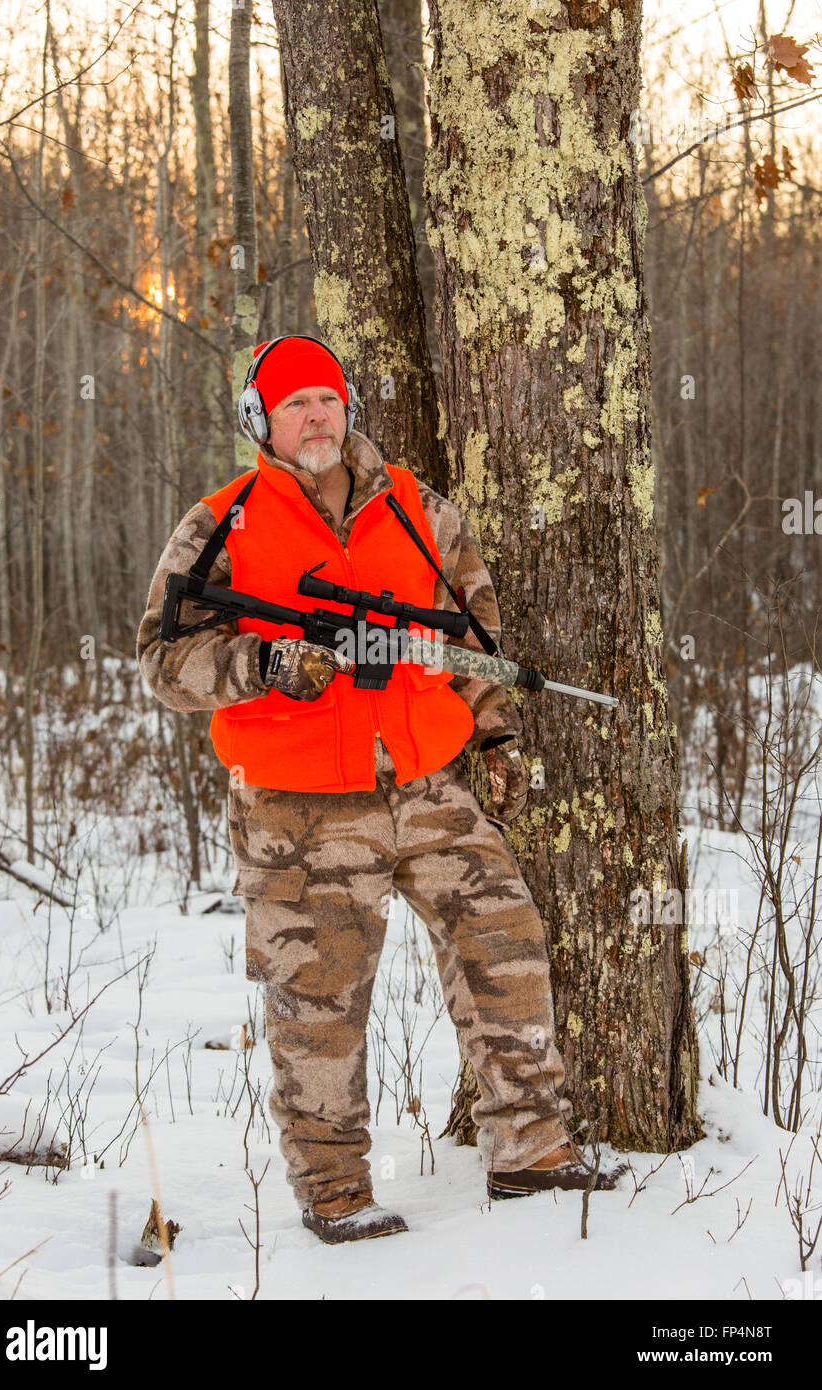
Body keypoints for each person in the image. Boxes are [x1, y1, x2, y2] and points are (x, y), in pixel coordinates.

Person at [136, 335, 623, 1246]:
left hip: (429, 781)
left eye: (326, 400)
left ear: (347, 406)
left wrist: (501, 734)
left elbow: (471, 636)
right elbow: (162, 660)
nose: (314, 418)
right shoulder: (221, 522)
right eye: (293, 406)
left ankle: (532, 1152)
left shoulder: (419, 508)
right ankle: (335, 1194)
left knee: (506, 944)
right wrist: (265, 663)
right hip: (296, 800)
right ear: (261, 422)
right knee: (318, 1000)